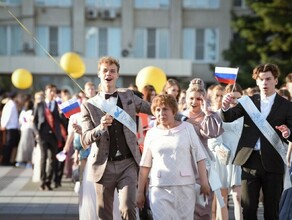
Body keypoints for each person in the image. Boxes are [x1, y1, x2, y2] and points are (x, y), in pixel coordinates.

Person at [80, 56, 152, 220]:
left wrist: (180, 117)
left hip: (128, 163)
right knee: (104, 214)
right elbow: (85, 139)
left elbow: (153, 108)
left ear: (117, 75)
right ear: (99, 74)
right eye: (105, 70)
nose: (108, 73)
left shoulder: (128, 96)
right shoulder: (89, 105)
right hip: (103, 166)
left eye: (112, 71)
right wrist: (100, 127)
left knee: (128, 208)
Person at [221, 63, 292, 220]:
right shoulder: (248, 101)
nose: (264, 83)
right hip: (249, 160)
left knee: (271, 210)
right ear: (257, 81)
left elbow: (291, 131)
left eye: (268, 79)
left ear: (275, 80)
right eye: (261, 79)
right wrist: (225, 107)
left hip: (273, 161)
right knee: (249, 208)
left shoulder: (287, 106)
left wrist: (288, 133)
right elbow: (229, 117)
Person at [136, 94, 210, 220]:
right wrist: (140, 192)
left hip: (185, 187)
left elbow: (200, 157)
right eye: (157, 110)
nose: (161, 113)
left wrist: (204, 182)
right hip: (159, 188)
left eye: (165, 109)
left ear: (173, 111)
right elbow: (145, 165)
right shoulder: (151, 133)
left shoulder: (187, 128)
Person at [181, 78, 223, 220]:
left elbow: (211, 133)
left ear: (203, 99)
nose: (194, 102)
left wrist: (207, 113)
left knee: (202, 208)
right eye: (191, 98)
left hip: (202, 167)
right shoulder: (180, 116)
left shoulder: (210, 115)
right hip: (182, 166)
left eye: (198, 99)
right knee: (184, 208)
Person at [208, 83, 244, 220]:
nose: (234, 101)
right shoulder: (217, 115)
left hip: (239, 158)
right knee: (222, 199)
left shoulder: (245, 117)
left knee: (238, 197)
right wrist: (220, 150)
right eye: (232, 97)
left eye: (238, 98)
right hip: (223, 159)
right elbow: (213, 139)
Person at [33, 84, 67, 191]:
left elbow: (63, 121)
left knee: (53, 159)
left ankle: (48, 181)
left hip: (54, 136)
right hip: (42, 135)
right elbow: (35, 121)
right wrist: (37, 133)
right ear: (46, 92)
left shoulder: (59, 105)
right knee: (44, 158)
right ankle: (42, 181)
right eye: (50, 91)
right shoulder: (40, 105)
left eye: (54, 91)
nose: (52, 93)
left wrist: (62, 113)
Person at [0, 91, 20, 166]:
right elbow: (7, 116)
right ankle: (6, 160)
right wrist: (4, 125)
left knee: (11, 144)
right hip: (10, 127)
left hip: (12, 127)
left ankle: (8, 160)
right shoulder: (10, 105)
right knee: (9, 145)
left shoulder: (11, 104)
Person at [15, 99, 35, 168]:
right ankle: (28, 162)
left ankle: (20, 161)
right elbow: (33, 122)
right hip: (29, 129)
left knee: (22, 145)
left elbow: (20, 121)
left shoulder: (23, 112)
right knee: (29, 146)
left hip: (23, 129)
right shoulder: (31, 112)